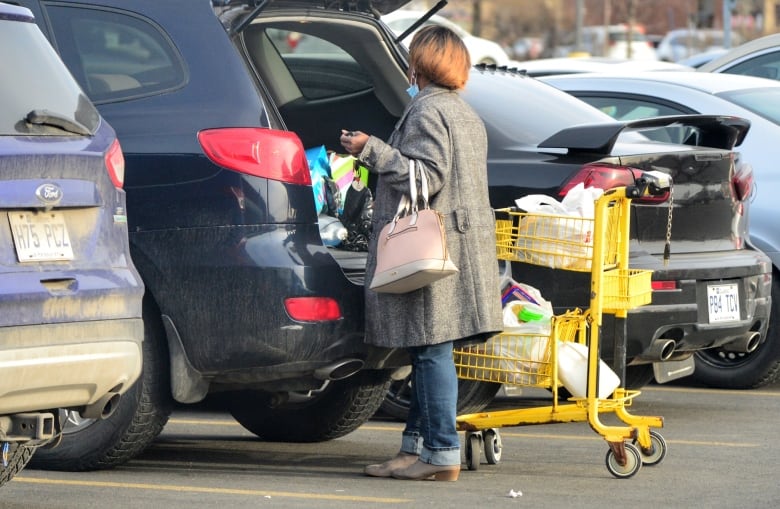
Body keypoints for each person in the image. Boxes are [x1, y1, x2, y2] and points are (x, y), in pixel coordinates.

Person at [339, 25, 503, 482]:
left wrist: (369, 149)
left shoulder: (427, 111)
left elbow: (423, 180)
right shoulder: (465, 113)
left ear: (421, 64)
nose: (408, 67)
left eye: (412, 58)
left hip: (432, 252)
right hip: (459, 248)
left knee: (430, 350)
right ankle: (414, 449)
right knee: (429, 348)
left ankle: (441, 452)